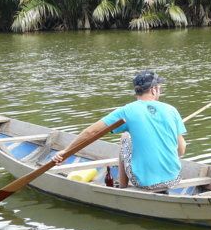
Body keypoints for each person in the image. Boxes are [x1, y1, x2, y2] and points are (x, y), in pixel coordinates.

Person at [54, 70, 187, 190]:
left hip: (145, 183)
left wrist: (66, 151)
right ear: (153, 90)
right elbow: (182, 149)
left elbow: (91, 132)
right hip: (173, 180)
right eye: (159, 89)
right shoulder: (172, 110)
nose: (160, 92)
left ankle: (122, 186)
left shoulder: (127, 111)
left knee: (125, 136)